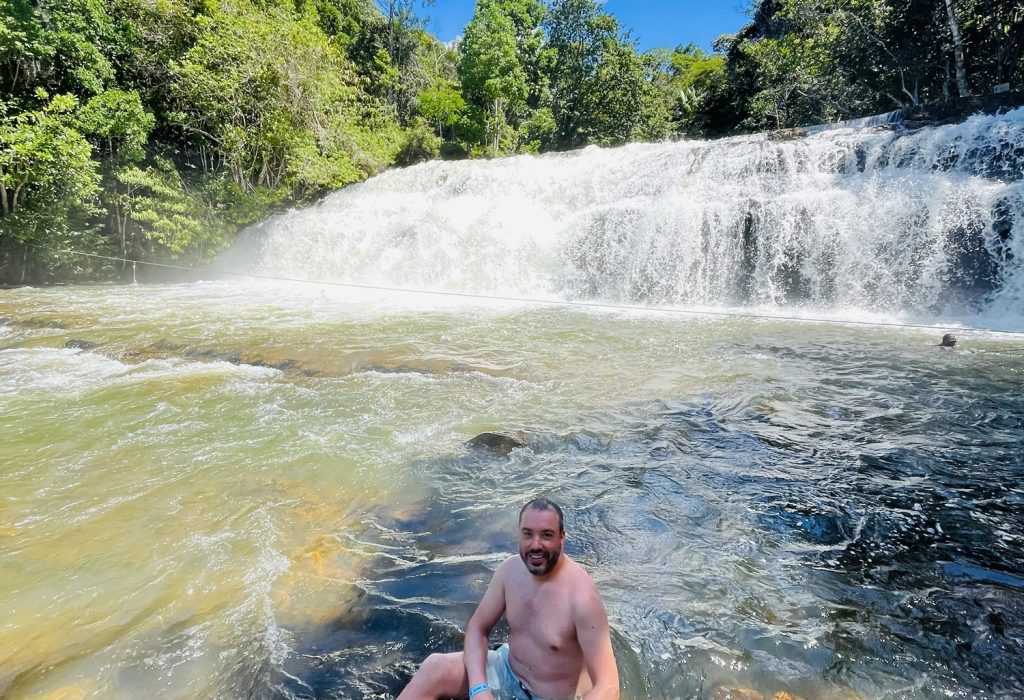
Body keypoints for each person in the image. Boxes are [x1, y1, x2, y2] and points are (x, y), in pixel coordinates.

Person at [397, 498, 620, 700]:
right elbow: (477, 629)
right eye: (528, 534)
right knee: (435, 667)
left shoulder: (582, 597)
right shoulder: (510, 571)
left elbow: (609, 687)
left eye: (546, 535)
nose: (536, 545)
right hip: (508, 672)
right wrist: (479, 689)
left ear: (562, 538)